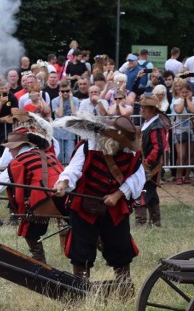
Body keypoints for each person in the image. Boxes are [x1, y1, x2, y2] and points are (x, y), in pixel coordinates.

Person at [53, 115, 144, 295]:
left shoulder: (132, 154)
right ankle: (80, 289)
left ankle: (124, 287)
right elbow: (73, 169)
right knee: (81, 247)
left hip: (115, 206)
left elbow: (137, 179)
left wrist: (118, 195)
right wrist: (62, 183)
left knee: (120, 245)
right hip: (85, 205)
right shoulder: (88, 147)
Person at [0, 126, 64, 263]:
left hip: (45, 197)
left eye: (10, 148)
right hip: (66, 193)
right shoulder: (46, 153)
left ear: (18, 147)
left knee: (29, 228)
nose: (9, 151)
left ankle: (39, 261)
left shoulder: (19, 161)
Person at [136, 95, 168, 226]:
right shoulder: (149, 123)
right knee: (151, 192)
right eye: (142, 107)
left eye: (145, 108)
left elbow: (159, 147)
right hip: (146, 164)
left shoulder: (156, 126)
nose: (142, 110)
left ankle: (141, 221)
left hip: (150, 165)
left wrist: (148, 162)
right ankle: (156, 221)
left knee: (141, 191)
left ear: (153, 110)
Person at [171, 83, 194, 185]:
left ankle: (187, 176)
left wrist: (188, 100)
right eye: (183, 92)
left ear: (190, 92)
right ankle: (179, 176)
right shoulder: (176, 101)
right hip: (179, 130)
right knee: (181, 155)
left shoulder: (193, 100)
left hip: (190, 130)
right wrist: (184, 100)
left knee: (190, 155)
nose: (184, 94)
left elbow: (193, 110)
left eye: (186, 92)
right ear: (180, 93)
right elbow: (179, 111)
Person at [51, 80, 79, 164]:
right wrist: (61, 100)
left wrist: (70, 99)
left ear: (70, 91)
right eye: (63, 91)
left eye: (67, 91)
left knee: (69, 157)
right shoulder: (55, 100)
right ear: (59, 91)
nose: (65, 93)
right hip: (58, 131)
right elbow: (60, 114)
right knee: (58, 157)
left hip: (70, 131)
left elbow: (74, 113)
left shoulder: (75, 100)